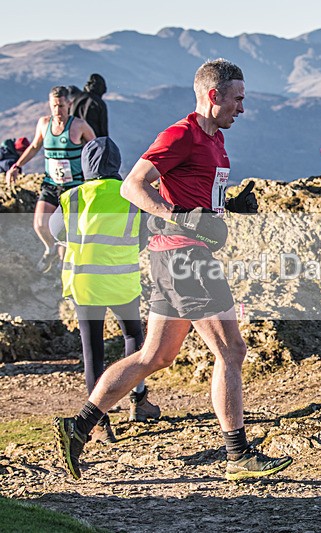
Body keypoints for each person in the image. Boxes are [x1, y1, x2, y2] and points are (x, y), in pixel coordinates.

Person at [53, 58, 288, 482]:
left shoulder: (215, 141)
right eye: (237, 99)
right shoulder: (182, 134)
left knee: (154, 356)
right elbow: (133, 185)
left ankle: (80, 424)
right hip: (184, 258)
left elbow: (195, 194)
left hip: (174, 258)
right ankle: (238, 455)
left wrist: (228, 206)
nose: (243, 108)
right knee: (231, 350)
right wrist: (181, 216)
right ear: (213, 95)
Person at [49, 137, 161, 443]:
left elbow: (57, 232)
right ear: (117, 165)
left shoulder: (72, 197)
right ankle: (138, 401)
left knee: (93, 352)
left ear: (86, 165)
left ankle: (97, 423)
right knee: (134, 339)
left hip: (84, 283)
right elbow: (144, 234)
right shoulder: (130, 194)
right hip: (122, 280)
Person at [5, 86, 95, 273]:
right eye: (54, 106)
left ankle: (64, 266)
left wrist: (96, 178)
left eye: (61, 106)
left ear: (69, 104)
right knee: (39, 223)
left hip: (74, 186)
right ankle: (50, 249)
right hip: (51, 183)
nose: (57, 110)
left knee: (66, 229)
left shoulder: (79, 126)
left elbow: (96, 150)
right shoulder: (43, 123)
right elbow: (35, 146)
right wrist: (17, 166)